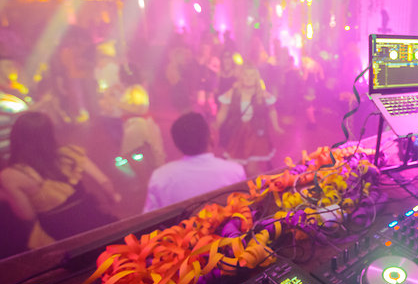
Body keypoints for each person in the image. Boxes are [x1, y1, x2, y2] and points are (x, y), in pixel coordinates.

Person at [0, 112, 119, 250]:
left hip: (59, 236)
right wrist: (112, 198)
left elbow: (27, 216)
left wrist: (7, 197)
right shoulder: (70, 154)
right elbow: (105, 183)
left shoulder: (11, 176)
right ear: (50, 134)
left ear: (16, 138)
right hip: (92, 222)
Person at [143, 112, 245, 213]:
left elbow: (149, 219)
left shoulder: (160, 177)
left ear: (177, 145)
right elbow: (245, 211)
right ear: (211, 138)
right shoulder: (235, 172)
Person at [215, 64, 283, 176]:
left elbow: (272, 110)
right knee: (236, 167)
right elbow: (223, 110)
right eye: (246, 75)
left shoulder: (262, 94)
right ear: (241, 77)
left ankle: (267, 185)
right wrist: (217, 125)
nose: (248, 78)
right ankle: (243, 185)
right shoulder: (233, 92)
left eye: (252, 76)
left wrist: (276, 126)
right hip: (238, 132)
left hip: (256, 133)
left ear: (256, 78)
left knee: (252, 170)